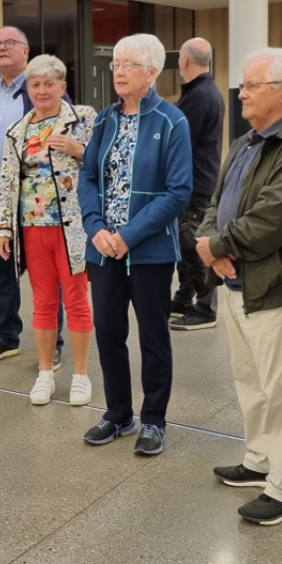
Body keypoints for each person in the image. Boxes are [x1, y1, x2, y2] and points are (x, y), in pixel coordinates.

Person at [199, 48, 282, 526]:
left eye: (253, 85)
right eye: (244, 85)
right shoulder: (247, 142)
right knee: (250, 382)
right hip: (237, 280)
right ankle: (258, 461)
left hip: (275, 282)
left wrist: (216, 246)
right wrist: (210, 243)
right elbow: (218, 200)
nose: (243, 92)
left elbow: (276, 217)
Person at [79, 33, 192, 457]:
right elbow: (88, 176)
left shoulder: (171, 122)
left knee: (152, 336)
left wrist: (128, 235)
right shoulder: (104, 120)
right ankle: (118, 412)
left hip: (149, 251)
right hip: (102, 249)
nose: (119, 72)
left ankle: (155, 419)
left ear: (152, 72)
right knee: (108, 330)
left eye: (128, 65)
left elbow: (178, 191)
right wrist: (96, 228)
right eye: (115, 65)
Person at [0, 55, 96, 406]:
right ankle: (45, 374)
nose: (42, 90)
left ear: (62, 87)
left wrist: (79, 150)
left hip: (73, 226)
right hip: (32, 227)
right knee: (43, 302)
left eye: (49, 84)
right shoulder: (18, 130)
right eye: (35, 84)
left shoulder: (83, 119)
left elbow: (106, 167)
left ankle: (81, 375)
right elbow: (7, 181)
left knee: (77, 299)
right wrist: (2, 228)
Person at [0, 26, 63, 367]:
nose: (2, 48)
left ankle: (53, 340)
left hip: (36, 197)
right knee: (0, 269)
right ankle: (7, 335)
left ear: (26, 51)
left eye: (10, 43)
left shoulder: (39, 87)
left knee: (46, 271)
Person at [170, 37, 224, 332]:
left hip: (194, 183)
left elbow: (181, 143)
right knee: (185, 244)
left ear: (185, 60)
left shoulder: (201, 95)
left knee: (192, 246)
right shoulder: (203, 91)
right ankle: (183, 299)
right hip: (198, 180)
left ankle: (206, 308)